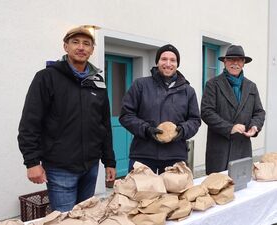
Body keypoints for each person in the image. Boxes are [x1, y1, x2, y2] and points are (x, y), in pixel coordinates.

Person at [18, 26, 116, 212]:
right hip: (60, 167)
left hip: (90, 166)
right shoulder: (47, 77)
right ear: (65, 47)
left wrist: (109, 161)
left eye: (86, 44)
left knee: (85, 216)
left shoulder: (97, 82)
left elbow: (103, 125)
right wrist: (32, 162)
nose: (81, 47)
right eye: (75, 42)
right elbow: (30, 123)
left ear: (92, 50)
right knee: (64, 220)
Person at [119, 44, 201, 174]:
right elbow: (126, 115)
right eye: (164, 59)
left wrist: (182, 130)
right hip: (143, 154)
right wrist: (146, 129)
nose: (168, 63)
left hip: (175, 156)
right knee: (142, 193)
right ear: (157, 62)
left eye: (173, 60)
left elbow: (195, 120)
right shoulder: (140, 85)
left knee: (172, 194)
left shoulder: (188, 91)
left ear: (177, 64)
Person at [201, 45, 265, 175]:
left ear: (243, 63)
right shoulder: (213, 84)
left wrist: (255, 126)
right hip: (220, 149)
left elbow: (259, 112)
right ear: (224, 62)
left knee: (242, 188)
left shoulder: (251, 86)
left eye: (239, 60)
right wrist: (230, 127)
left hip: (243, 148)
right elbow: (206, 112)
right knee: (219, 191)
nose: (235, 63)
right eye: (231, 59)